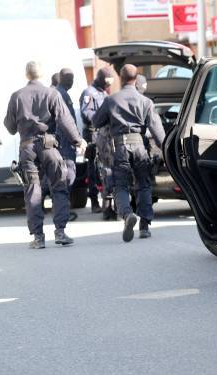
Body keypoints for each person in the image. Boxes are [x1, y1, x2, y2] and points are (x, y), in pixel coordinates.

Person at [3, 61, 85, 248]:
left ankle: (38, 237)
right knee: (59, 186)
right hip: (50, 148)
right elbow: (65, 120)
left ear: (27, 74)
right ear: (42, 74)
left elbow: (10, 127)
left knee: (33, 190)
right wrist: (78, 141)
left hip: (28, 148)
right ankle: (60, 232)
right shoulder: (52, 93)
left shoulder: (17, 96)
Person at [92, 64, 165, 242]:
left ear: (121, 78)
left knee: (121, 185)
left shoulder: (111, 100)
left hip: (120, 147)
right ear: (136, 78)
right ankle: (145, 226)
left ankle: (127, 215)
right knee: (144, 185)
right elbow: (158, 132)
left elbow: (96, 121)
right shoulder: (146, 102)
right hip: (140, 146)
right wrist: (166, 150)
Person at [80, 67, 114, 215]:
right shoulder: (89, 92)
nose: (108, 86)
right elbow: (86, 113)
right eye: (107, 82)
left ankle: (106, 199)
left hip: (105, 134)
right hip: (93, 134)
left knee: (105, 168)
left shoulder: (103, 92)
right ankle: (94, 200)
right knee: (93, 168)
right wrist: (101, 118)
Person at [55, 68, 79, 221]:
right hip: (64, 142)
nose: (71, 82)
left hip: (63, 141)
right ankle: (63, 211)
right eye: (69, 79)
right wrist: (76, 139)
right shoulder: (60, 94)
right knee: (67, 175)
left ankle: (62, 209)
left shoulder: (60, 92)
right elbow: (65, 122)